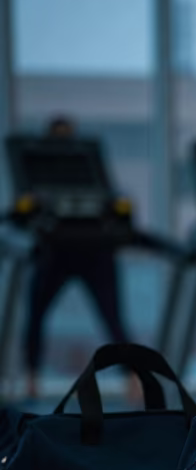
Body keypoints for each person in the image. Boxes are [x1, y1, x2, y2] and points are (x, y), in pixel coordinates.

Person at [23, 116, 128, 397]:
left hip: (95, 252)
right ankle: (31, 380)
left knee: (113, 319)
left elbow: (115, 204)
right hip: (55, 252)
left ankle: (135, 383)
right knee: (35, 317)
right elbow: (25, 212)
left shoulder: (91, 169)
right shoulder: (37, 173)